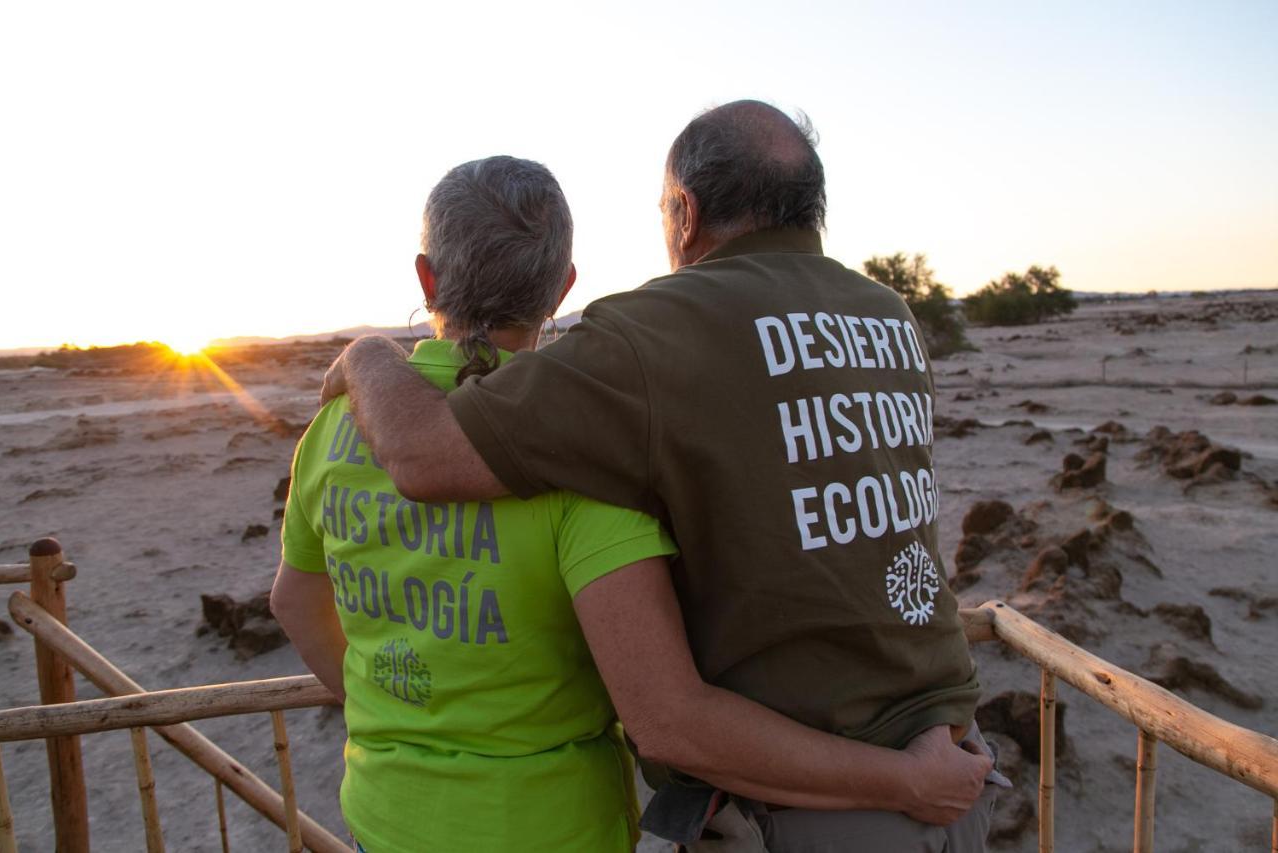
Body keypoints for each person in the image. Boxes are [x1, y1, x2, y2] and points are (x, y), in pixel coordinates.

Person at [318, 106, 1000, 851]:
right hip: (954, 770)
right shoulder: (887, 314)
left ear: (687, 213)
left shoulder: (661, 331)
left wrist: (366, 357)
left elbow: (423, 455)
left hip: (818, 803)